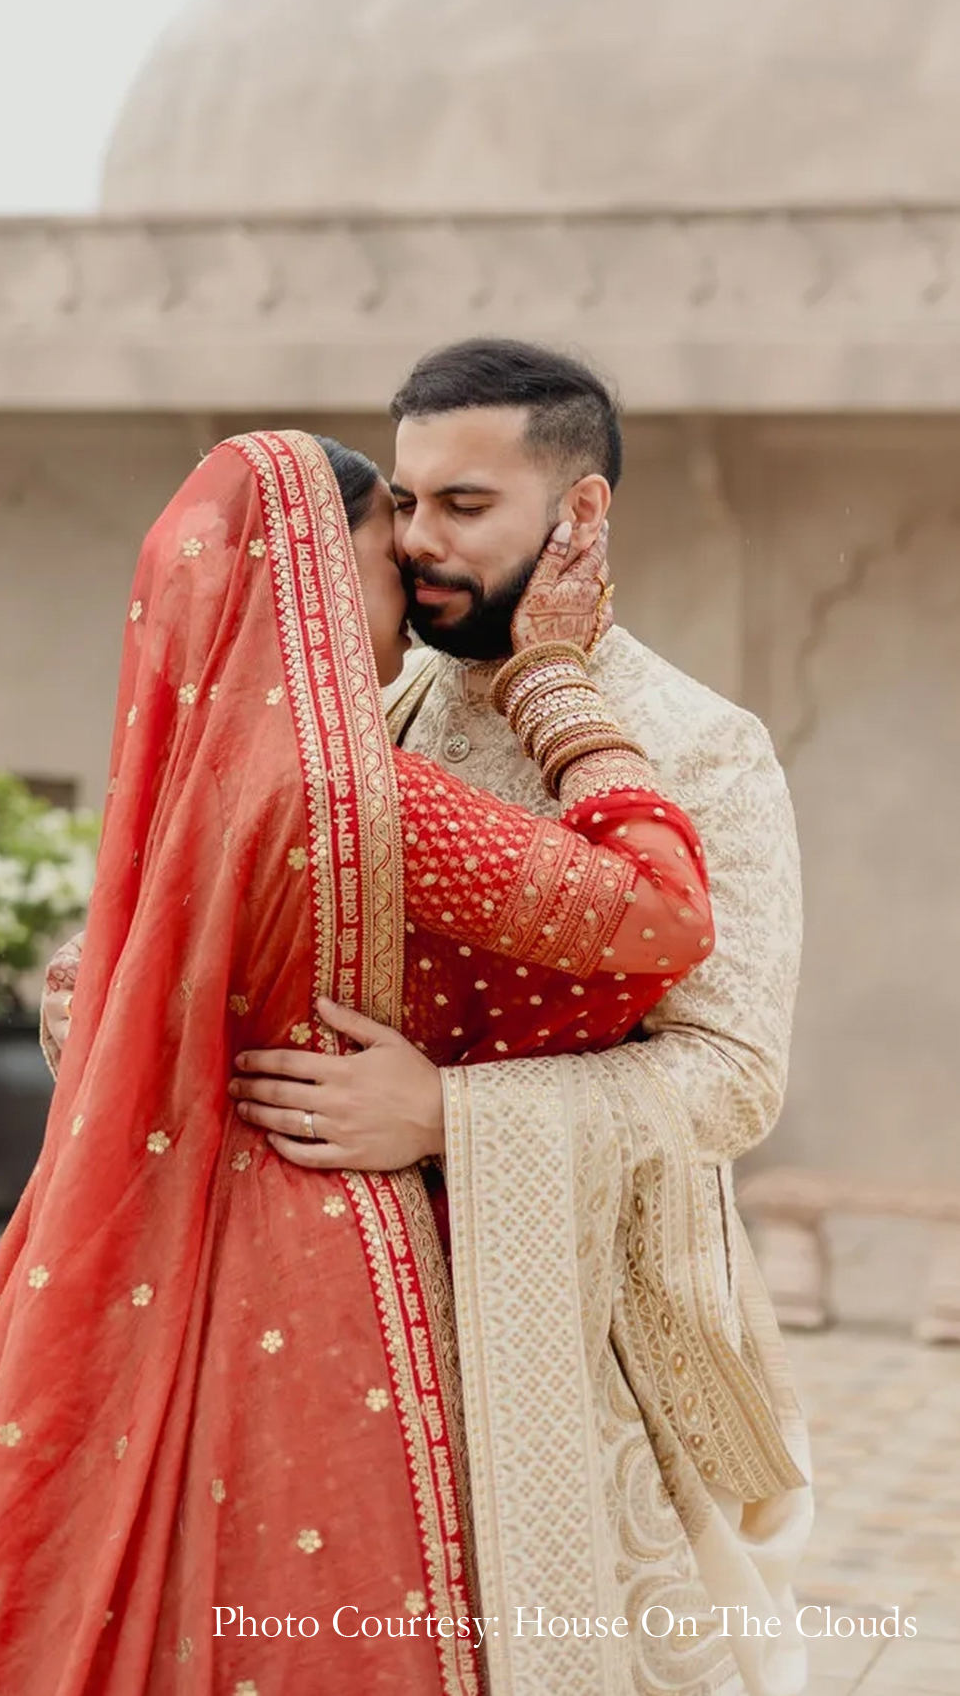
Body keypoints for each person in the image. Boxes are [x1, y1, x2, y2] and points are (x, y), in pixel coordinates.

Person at [0, 427, 718, 1696]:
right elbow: (661, 915)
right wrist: (558, 688)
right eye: (386, 539)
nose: (411, 584)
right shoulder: (362, 794)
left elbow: (102, 996)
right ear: (310, 564)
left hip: (134, 1235)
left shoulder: (183, 788)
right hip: (310, 1248)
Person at [224, 346, 814, 1696]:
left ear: (582, 514)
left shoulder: (701, 744)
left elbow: (732, 1076)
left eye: (466, 506)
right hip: (339, 1316)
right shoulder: (383, 710)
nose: (418, 541)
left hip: (589, 1341)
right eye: (408, 501)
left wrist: (450, 1116)